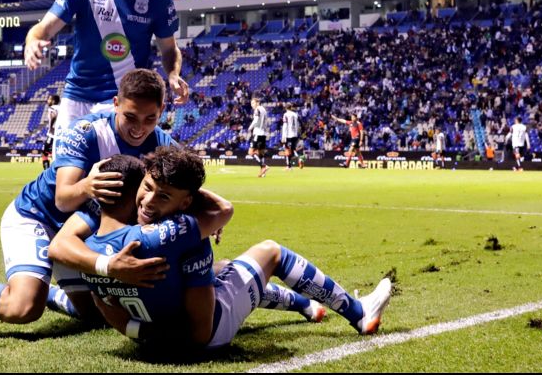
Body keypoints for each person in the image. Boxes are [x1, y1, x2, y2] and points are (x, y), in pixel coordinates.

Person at [0, 69, 174, 334]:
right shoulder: (87, 131)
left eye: (150, 118)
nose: (139, 128)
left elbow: (183, 193)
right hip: (38, 217)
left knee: (98, 316)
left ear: (162, 110)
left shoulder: (164, 146)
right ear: (116, 104)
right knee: (23, 307)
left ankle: (46, 292)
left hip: (78, 231)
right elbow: (63, 200)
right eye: (130, 117)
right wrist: (87, 186)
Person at [51, 147, 390, 349]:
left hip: (149, 332)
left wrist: (139, 331)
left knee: (224, 269)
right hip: (207, 332)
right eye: (148, 187)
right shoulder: (177, 231)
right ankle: (359, 313)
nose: (149, 201)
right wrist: (184, 198)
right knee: (271, 252)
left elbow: (65, 254)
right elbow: (223, 210)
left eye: (162, 195)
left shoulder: (93, 236)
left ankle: (305, 305)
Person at [23, 0, 189, 151]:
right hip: (76, 98)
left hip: (122, 102)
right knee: (64, 170)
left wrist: (172, 74)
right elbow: (43, 29)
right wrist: (32, 41)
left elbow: (170, 49)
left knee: (114, 170)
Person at [248, 97, 269, 177]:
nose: (252, 105)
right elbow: (266, 122)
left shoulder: (257, 109)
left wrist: (250, 128)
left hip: (257, 133)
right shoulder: (264, 110)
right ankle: (263, 173)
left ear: (257, 103)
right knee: (261, 153)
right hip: (263, 134)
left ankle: (264, 166)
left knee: (251, 152)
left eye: (253, 103)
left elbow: (255, 120)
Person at [42, 94, 60, 169]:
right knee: (56, 154)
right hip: (60, 134)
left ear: (53, 101)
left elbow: (53, 116)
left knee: (45, 154)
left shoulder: (52, 108)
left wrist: (51, 127)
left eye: (49, 99)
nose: (47, 100)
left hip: (52, 135)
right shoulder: (61, 108)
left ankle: (47, 171)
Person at [281, 103, 299, 170]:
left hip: (289, 135)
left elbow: (285, 125)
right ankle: (291, 165)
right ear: (291, 107)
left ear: (286, 108)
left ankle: (288, 166)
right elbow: (297, 125)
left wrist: (283, 136)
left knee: (287, 150)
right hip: (295, 134)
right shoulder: (295, 114)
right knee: (293, 149)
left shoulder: (285, 114)